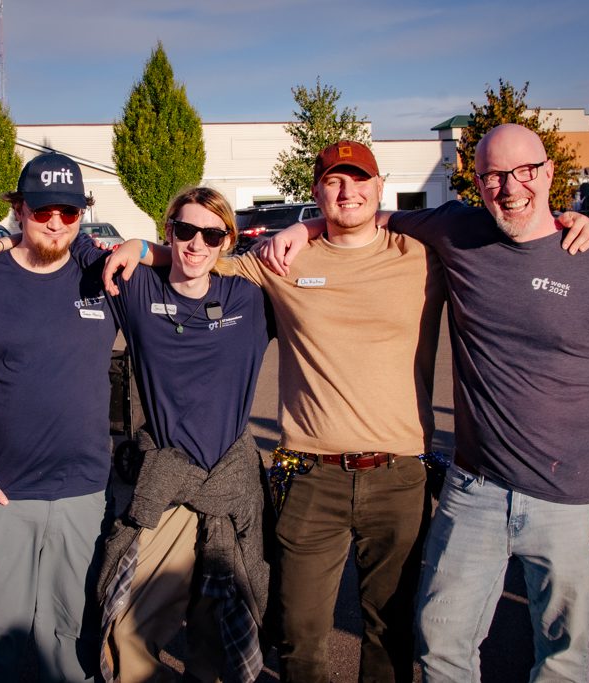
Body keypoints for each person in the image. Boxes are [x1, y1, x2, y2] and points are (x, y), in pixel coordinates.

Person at [265, 126, 589, 682]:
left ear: (548, 173)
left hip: (571, 500)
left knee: (564, 653)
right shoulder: (457, 230)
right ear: (477, 182)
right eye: (494, 176)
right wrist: (304, 224)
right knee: (442, 645)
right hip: (476, 492)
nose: (509, 187)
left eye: (523, 172)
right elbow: (363, 215)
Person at [106, 142, 443, 683]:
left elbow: (494, 228)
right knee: (299, 632)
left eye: (361, 181)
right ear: (315, 192)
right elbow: (200, 259)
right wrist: (142, 247)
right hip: (313, 474)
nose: (348, 191)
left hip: (399, 473)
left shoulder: (422, 254)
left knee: (391, 628)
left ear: (381, 188)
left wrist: (569, 219)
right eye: (334, 180)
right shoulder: (280, 264)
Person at [0, 152, 117, 682]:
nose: (55, 223)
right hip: (0, 492)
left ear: (81, 214)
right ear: (19, 210)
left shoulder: (102, 278)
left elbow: (182, 258)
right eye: (43, 212)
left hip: (83, 494)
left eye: (68, 212)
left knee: (72, 638)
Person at [95, 187, 272, 683]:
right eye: (185, 230)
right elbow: (62, 247)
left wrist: (304, 226)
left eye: (211, 234)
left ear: (226, 242)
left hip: (228, 486)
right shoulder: (137, 288)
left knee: (217, 640)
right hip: (165, 487)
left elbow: (312, 252)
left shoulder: (248, 298)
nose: (196, 244)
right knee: (130, 629)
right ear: (168, 230)